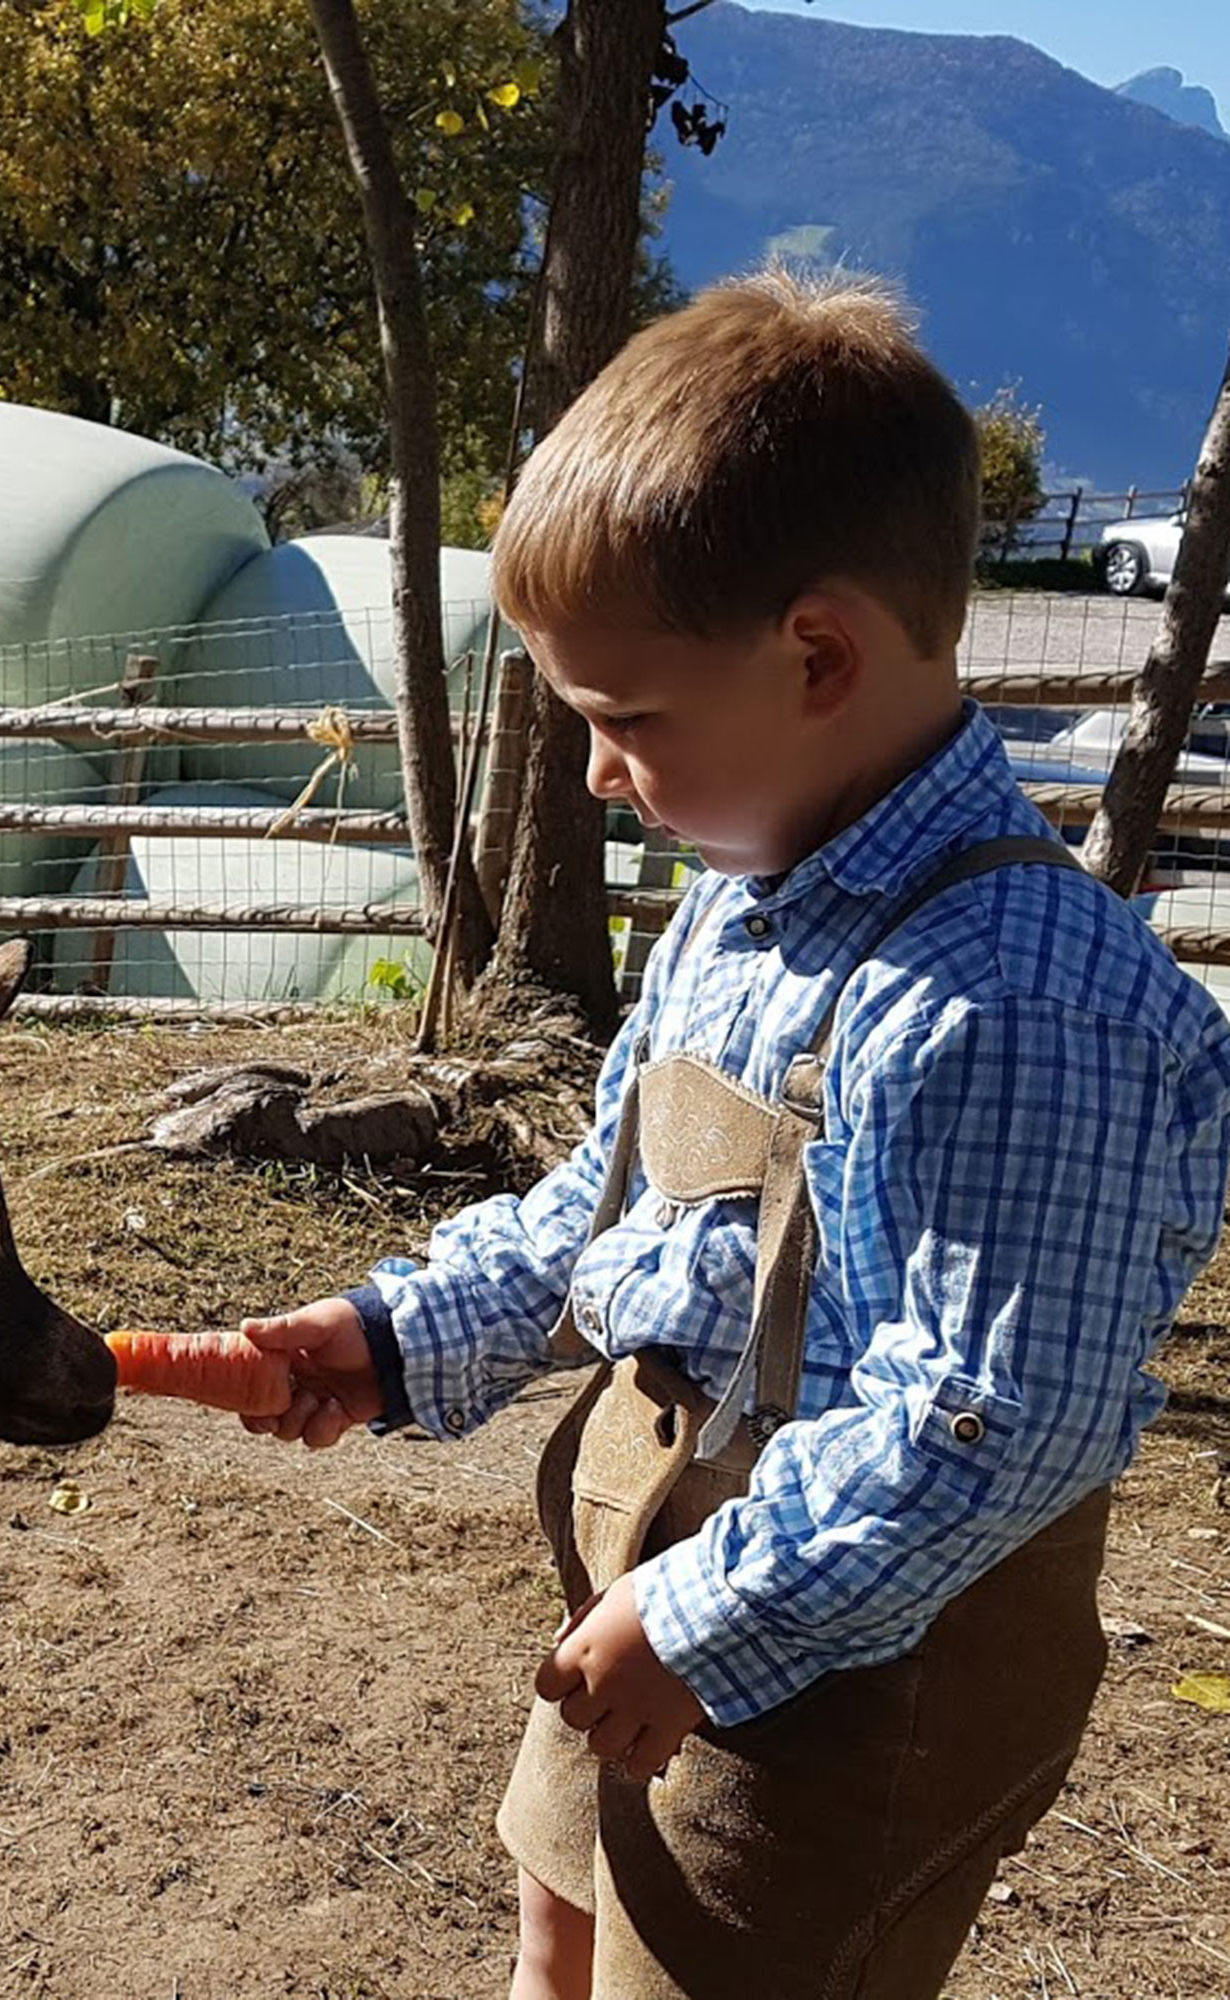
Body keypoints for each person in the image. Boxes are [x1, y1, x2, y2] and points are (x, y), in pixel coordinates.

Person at [238, 266, 1230, 2000]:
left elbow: (994, 1431)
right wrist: (401, 1335)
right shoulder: (741, 905)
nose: (605, 775)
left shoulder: (1011, 1002)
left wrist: (705, 1620)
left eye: (626, 722)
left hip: (856, 1676)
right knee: (559, 1914)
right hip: (664, 1577)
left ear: (819, 656)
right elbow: (613, 1205)